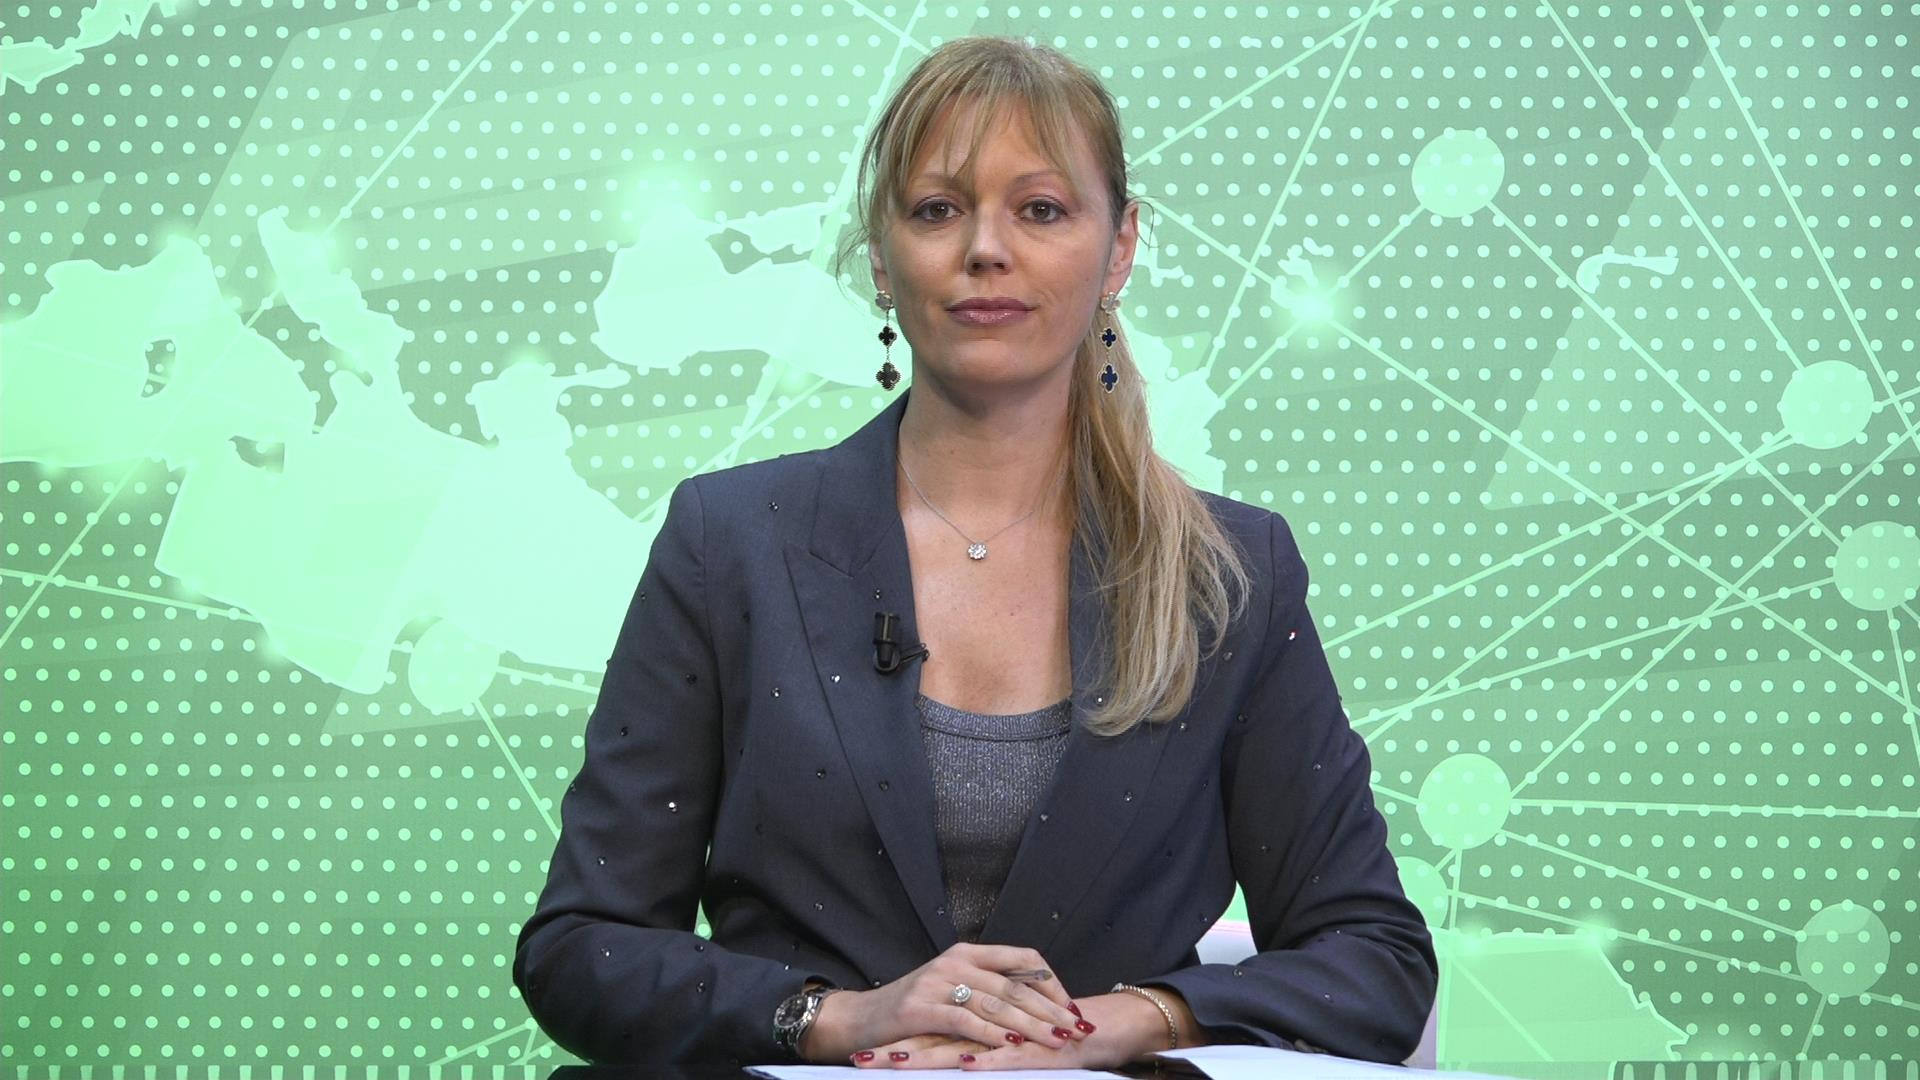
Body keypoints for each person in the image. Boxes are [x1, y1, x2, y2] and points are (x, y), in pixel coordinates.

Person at [512, 35, 1437, 1070]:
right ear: (881, 255)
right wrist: (837, 1019)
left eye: (1040, 209)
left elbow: (1376, 960)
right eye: (937, 209)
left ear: (1120, 248)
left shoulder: (1232, 573)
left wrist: (1111, 1026)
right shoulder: (730, 541)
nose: (985, 249)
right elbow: (581, 946)